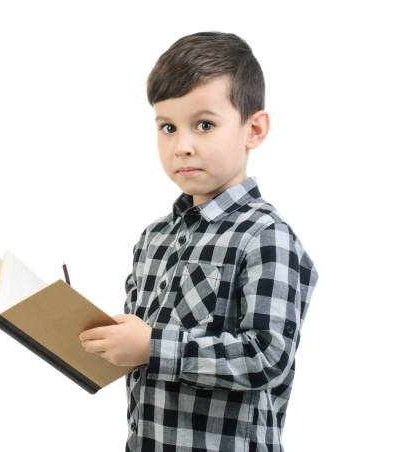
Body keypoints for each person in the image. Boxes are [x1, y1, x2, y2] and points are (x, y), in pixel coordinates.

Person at [78, 31, 319, 452]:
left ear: (254, 129)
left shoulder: (266, 238)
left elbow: (267, 357)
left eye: (204, 125)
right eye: (168, 127)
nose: (182, 146)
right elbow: (140, 350)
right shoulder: (153, 238)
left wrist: (153, 346)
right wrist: (109, 342)